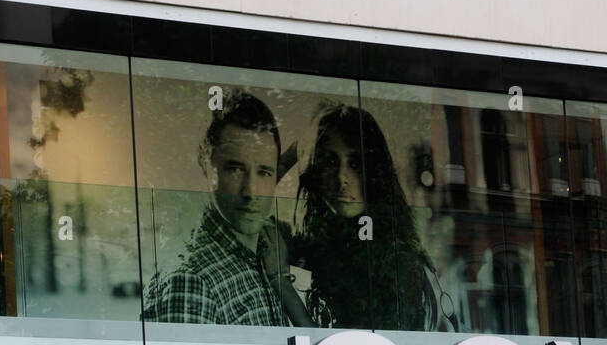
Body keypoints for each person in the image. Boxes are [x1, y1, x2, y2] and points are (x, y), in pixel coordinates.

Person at [143, 91, 311, 327]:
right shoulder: (190, 282)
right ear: (207, 167)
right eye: (235, 169)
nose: (251, 191)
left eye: (264, 172)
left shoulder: (265, 257)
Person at [294, 103, 441, 331]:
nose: (342, 177)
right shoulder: (320, 246)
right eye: (331, 161)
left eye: (355, 164)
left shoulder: (395, 258)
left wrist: (281, 286)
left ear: (374, 171)